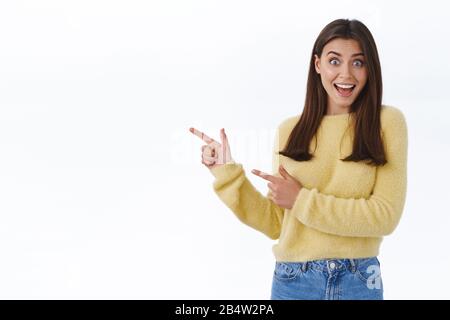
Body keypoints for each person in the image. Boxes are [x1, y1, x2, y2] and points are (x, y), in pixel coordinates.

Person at [189, 18, 407, 300]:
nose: (346, 74)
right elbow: (278, 223)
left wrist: (301, 199)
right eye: (334, 61)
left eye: (358, 63)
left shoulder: (387, 122)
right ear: (317, 65)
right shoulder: (290, 131)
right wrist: (226, 173)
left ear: (369, 69)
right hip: (294, 281)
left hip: (359, 279)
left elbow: (384, 216)